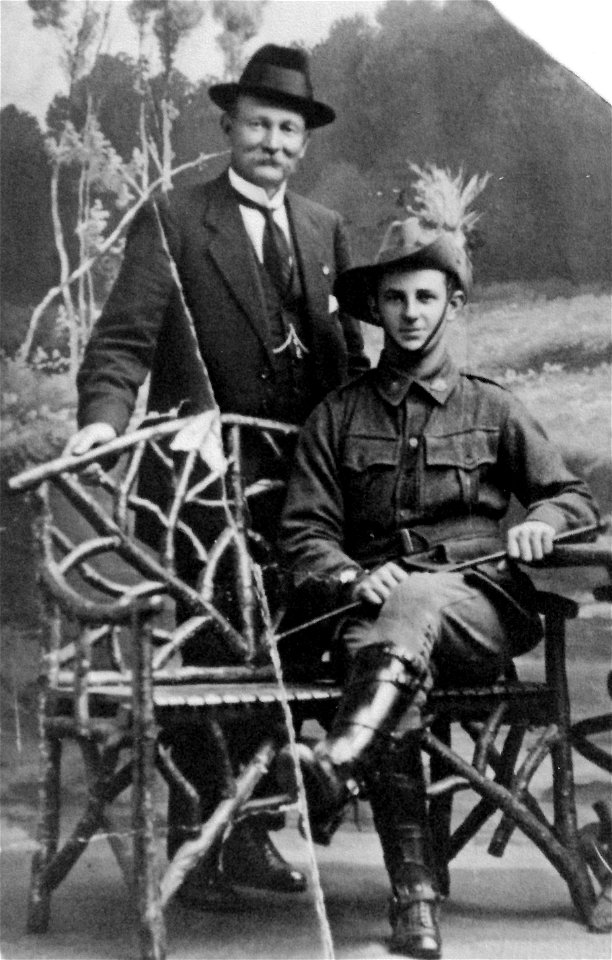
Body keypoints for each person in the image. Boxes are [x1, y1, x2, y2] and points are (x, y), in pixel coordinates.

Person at [64, 44, 368, 904]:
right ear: (228, 127)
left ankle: (254, 829)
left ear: (302, 141)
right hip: (202, 489)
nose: (273, 140)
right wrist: (101, 426)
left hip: (302, 493)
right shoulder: (174, 218)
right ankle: (204, 843)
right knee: (216, 653)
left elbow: (344, 368)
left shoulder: (323, 230)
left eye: (288, 128)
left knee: (295, 646)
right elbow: (122, 343)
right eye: (258, 124)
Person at [278, 165, 599, 958]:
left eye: (426, 297)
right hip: (376, 621)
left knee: (416, 605)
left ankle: (337, 762)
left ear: (452, 304)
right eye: (396, 299)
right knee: (384, 655)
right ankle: (414, 898)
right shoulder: (337, 416)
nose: (411, 313)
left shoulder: (493, 407)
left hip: (480, 610)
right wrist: (353, 574)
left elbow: (573, 498)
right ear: (375, 308)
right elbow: (304, 534)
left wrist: (543, 524)